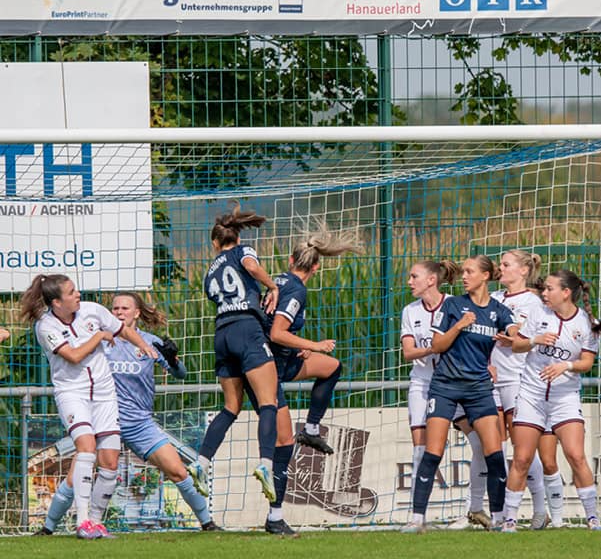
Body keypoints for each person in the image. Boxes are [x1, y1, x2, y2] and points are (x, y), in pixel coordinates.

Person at [36, 292, 221, 534]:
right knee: (75, 477)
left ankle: (208, 524)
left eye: (125, 308)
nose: (119, 312)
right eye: (115, 308)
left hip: (138, 423)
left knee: (177, 470)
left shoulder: (147, 341)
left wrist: (174, 362)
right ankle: (48, 529)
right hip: (102, 420)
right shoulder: (97, 340)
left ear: (137, 313)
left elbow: (181, 375)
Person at [21, 274, 158, 539]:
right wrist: (99, 337)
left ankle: (95, 522)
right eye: (71, 292)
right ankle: (82, 521)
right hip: (73, 394)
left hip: (105, 395)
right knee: (86, 448)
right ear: (57, 302)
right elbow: (73, 356)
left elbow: (122, 330)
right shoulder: (45, 326)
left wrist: (143, 346)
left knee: (110, 461)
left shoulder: (93, 311)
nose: (78, 294)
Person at [401, 255, 517, 533]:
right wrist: (459, 325)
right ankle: (417, 518)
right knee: (432, 452)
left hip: (479, 389)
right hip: (445, 386)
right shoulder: (453, 305)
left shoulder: (498, 310)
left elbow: (515, 334)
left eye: (470, 271)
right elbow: (439, 345)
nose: (464, 276)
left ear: (485, 276)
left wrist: (517, 338)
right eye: (463, 271)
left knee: (494, 452)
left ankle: (500, 518)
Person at [260, 219, 361, 536]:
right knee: (283, 442)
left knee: (331, 367)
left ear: (291, 261)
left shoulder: (276, 281)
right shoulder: (296, 290)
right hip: (267, 369)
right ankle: (275, 517)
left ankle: (313, 428)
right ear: (316, 267)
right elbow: (277, 332)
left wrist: (299, 351)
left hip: (281, 360)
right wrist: (312, 344)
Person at [188, 204, 280, 502]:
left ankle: (201, 462)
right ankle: (266, 464)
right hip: (246, 328)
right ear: (237, 238)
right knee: (269, 403)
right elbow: (252, 268)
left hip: (222, 334)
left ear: (214, 243)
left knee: (230, 408)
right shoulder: (243, 252)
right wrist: (272, 286)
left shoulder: (209, 274)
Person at [503, 269, 601, 532]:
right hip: (531, 395)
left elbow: (587, 362)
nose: (544, 293)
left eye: (549, 289)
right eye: (544, 289)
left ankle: (593, 518)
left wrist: (566, 366)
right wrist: (535, 340)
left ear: (566, 293)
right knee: (522, 458)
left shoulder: (587, 322)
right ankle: (510, 519)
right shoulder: (539, 314)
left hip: (564, 397)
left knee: (575, 455)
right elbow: (516, 346)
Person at [488, 250, 552, 529]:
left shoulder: (533, 302)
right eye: (500, 264)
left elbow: (533, 338)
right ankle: (497, 513)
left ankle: (541, 509)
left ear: (524, 271)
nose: (500, 268)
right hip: (490, 378)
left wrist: (515, 337)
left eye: (506, 264)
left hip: (518, 377)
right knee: (493, 447)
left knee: (522, 449)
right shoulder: (495, 300)